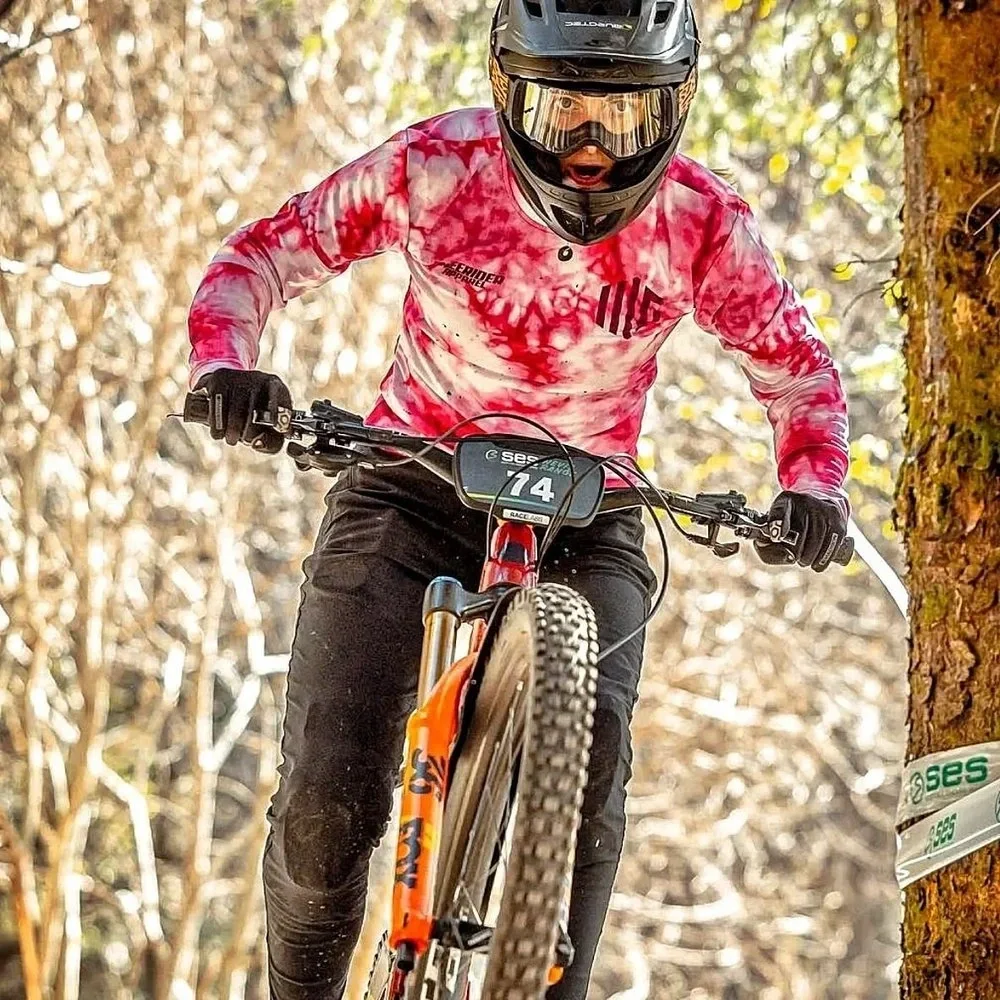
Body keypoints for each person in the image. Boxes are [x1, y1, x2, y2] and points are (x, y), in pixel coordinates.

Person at [186, 1, 850, 996]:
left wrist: (812, 486)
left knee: (592, 778)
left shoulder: (703, 224)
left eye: (619, 121)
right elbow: (263, 258)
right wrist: (225, 365)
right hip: (413, 478)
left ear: (672, 113)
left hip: (592, 510)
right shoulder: (435, 168)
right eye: (558, 115)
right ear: (505, 98)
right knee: (327, 804)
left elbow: (796, 371)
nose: (587, 151)